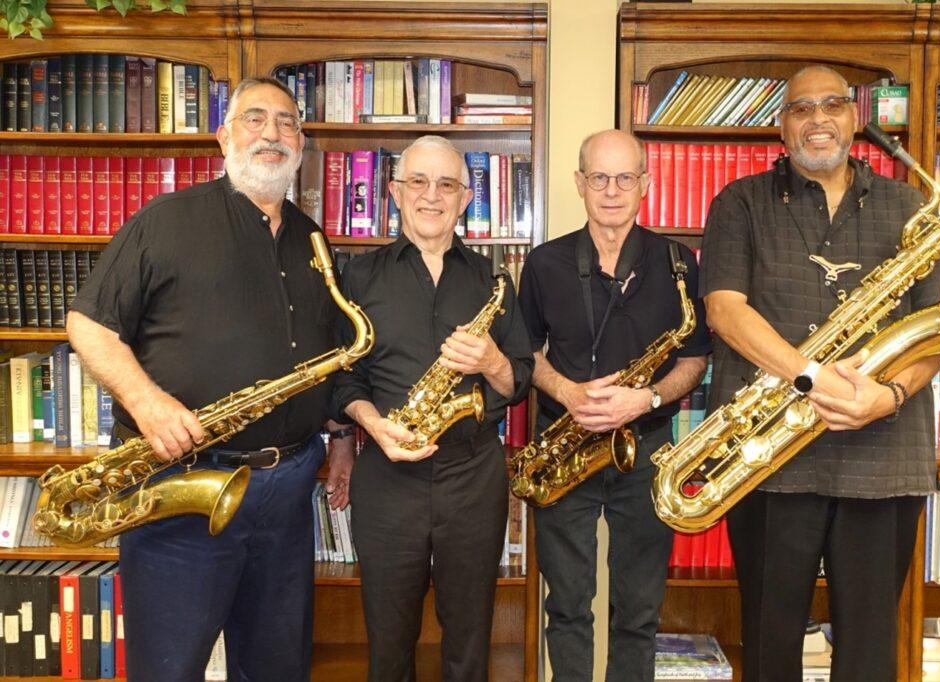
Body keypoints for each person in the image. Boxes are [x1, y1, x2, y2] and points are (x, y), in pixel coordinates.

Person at [67, 76, 350, 681]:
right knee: (169, 669)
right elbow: (87, 324)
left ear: (301, 141)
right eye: (255, 119)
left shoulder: (312, 239)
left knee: (277, 667)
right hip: (184, 481)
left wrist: (344, 443)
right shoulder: (166, 221)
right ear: (223, 136)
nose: (272, 133)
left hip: (288, 489)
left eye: (286, 122)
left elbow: (330, 355)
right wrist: (149, 405)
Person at [699, 65, 940, 682]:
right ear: (781, 126)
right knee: (769, 645)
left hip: (884, 456)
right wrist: (810, 378)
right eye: (801, 108)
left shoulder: (909, 205)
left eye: (832, 105)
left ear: (854, 118)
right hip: (769, 459)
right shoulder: (740, 202)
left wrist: (888, 394)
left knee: (870, 651)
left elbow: (938, 331)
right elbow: (725, 310)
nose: (818, 118)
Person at [330, 135, 534, 682]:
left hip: (472, 473)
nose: (431, 195)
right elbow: (342, 377)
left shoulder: (493, 279)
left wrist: (491, 360)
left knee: (470, 635)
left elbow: (520, 379)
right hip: (388, 472)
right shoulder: (358, 277)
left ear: (466, 198)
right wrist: (373, 425)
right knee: (389, 636)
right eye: (418, 181)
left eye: (447, 184)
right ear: (395, 192)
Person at [517, 129, 712, 681]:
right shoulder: (544, 263)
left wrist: (645, 398)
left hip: (646, 450)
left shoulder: (679, 266)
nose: (611, 190)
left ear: (645, 184)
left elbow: (695, 359)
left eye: (625, 177)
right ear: (580, 183)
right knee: (568, 606)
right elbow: (526, 353)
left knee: (639, 611)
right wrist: (569, 393)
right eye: (599, 177)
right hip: (566, 450)